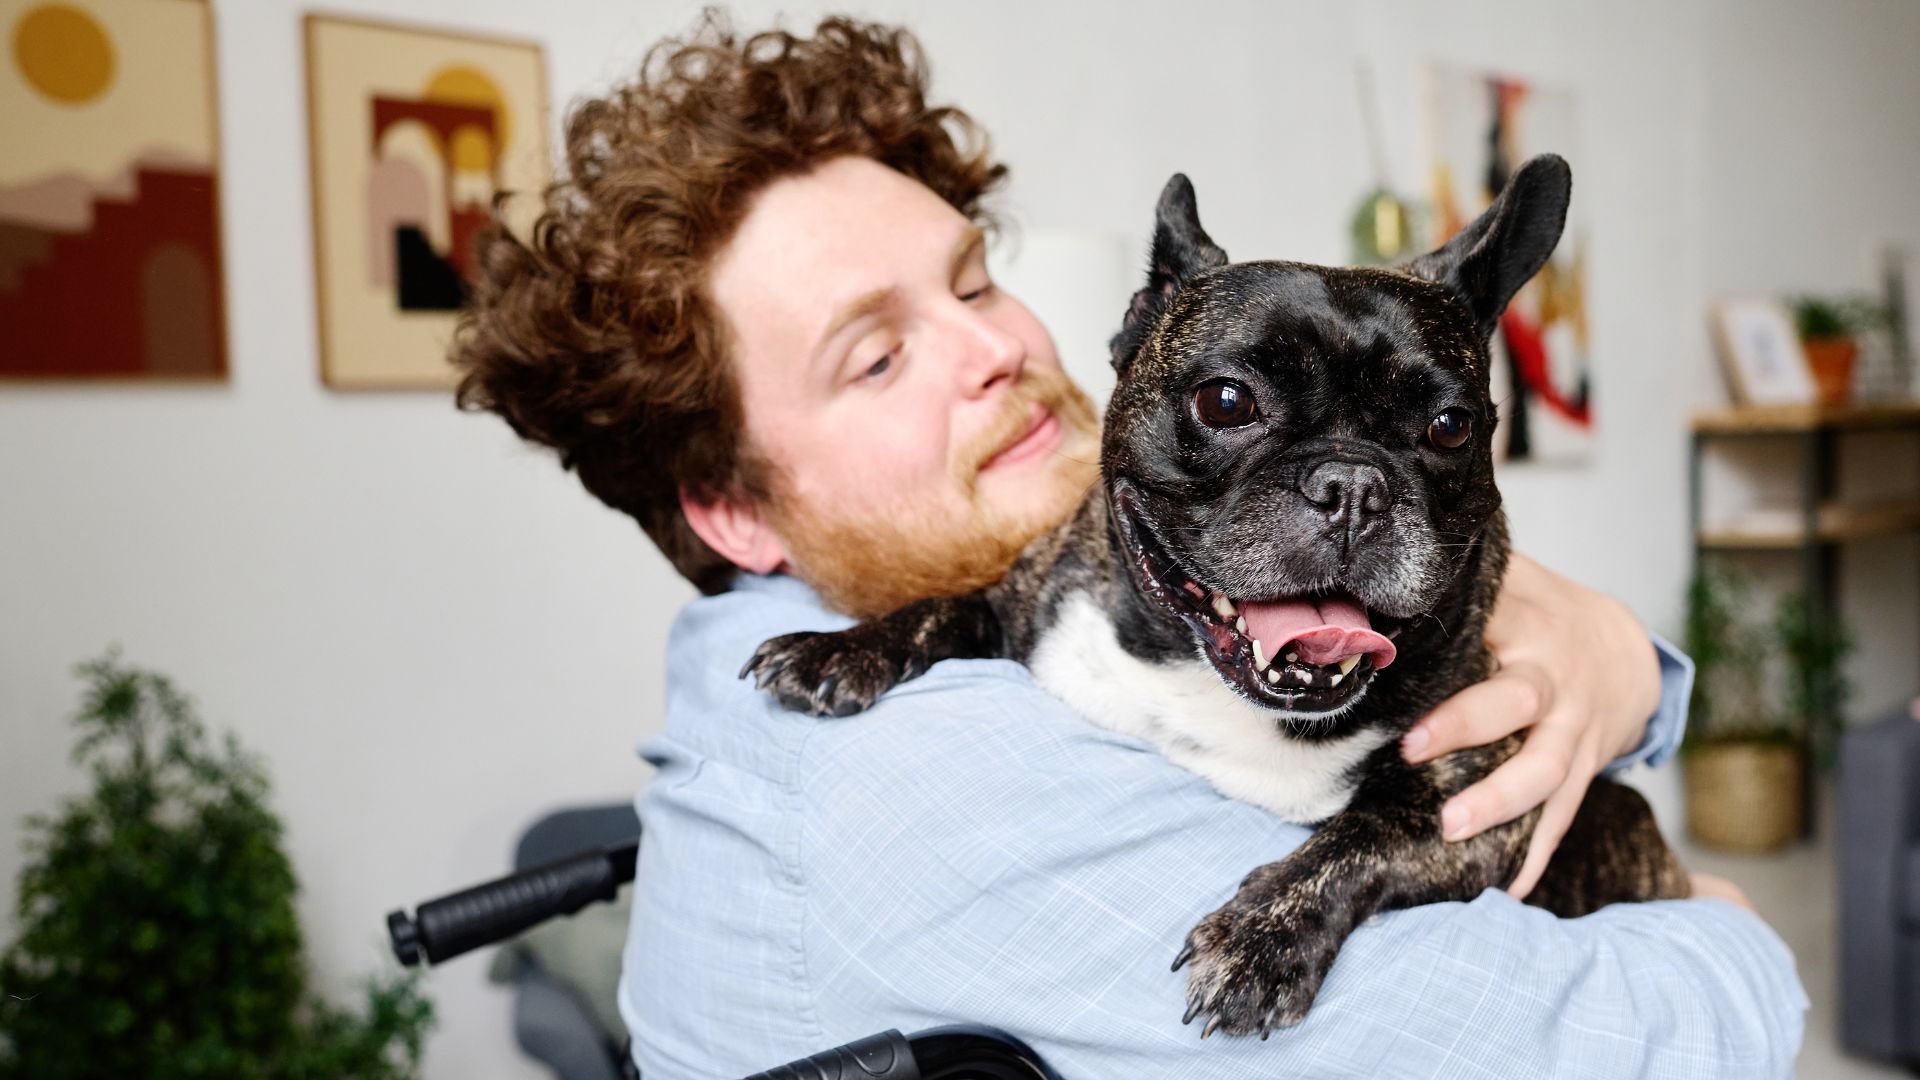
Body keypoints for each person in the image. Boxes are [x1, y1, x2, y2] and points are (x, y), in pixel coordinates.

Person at [451, 15, 1805, 1078]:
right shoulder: (933, 795)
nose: (997, 350)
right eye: (874, 356)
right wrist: (1738, 934)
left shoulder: (918, 631)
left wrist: (1619, 661)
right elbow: (1625, 1038)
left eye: (975, 279)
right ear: (731, 508)